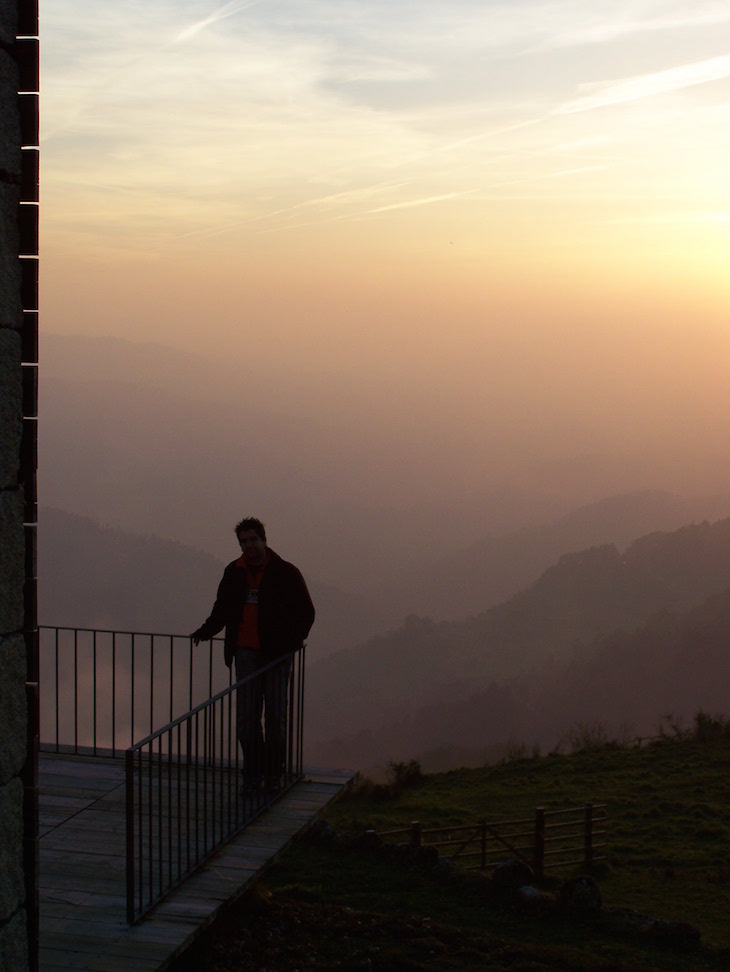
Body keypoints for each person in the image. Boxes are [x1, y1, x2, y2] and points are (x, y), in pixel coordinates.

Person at [191, 517, 315, 794]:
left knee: (275, 718)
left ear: (263, 539)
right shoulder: (234, 572)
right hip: (245, 653)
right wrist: (205, 631)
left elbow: (306, 612)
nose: (248, 546)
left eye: (252, 540)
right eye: (243, 542)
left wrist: (292, 643)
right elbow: (221, 609)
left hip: (277, 655)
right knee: (247, 719)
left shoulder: (285, 572)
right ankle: (253, 776)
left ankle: (273, 776)